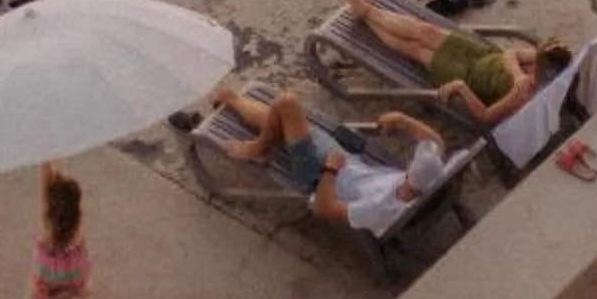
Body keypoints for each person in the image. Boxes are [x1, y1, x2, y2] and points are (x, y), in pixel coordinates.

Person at [184, 85, 450, 236]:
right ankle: (234, 102)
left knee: (287, 104)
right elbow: (436, 143)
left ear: (412, 182)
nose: (404, 179)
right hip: (345, 160)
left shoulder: (379, 208)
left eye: (407, 179)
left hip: (317, 176)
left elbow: (324, 209)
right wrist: (403, 121)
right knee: (287, 119)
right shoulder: (429, 182)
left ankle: (256, 145)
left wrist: (330, 170)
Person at [332, 0, 573, 125]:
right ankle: (366, 11)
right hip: (480, 54)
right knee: (424, 30)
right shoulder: (534, 67)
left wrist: (461, 88)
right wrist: (518, 74)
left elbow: (486, 116)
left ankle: (365, 12)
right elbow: (511, 54)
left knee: (414, 49)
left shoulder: (524, 97)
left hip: (466, 76)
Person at [28, 160, 89, 299]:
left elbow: (45, 179)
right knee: (81, 287)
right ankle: (69, 295)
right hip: (74, 269)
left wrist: (46, 155)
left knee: (37, 289)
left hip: (47, 269)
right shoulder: (77, 222)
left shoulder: (47, 223)